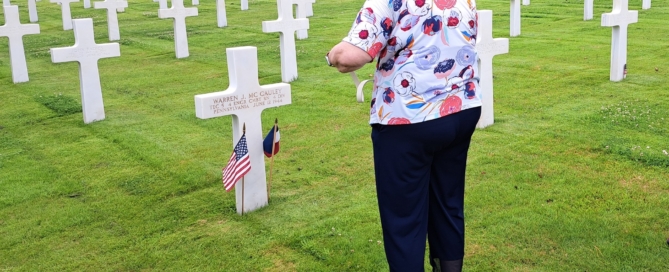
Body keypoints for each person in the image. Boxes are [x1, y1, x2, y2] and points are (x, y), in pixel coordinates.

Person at [326, 0, 482, 271]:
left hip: (409, 121)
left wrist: (331, 56)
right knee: (448, 202)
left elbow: (352, 56)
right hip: (461, 108)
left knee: (404, 219)